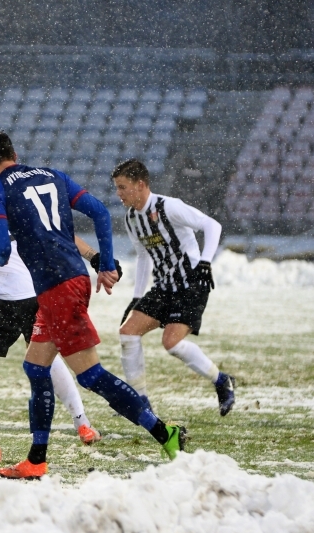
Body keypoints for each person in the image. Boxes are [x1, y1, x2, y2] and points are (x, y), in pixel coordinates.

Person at [0, 130, 186, 480]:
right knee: (36, 367)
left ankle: (164, 432)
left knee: (90, 375)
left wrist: (5, 239)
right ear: (14, 152)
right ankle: (36, 459)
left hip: (57, 287)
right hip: (67, 280)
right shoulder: (52, 175)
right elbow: (100, 212)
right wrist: (105, 263)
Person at [0, 155, 106, 463]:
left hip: (4, 300)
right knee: (47, 355)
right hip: (40, 289)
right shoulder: (8, 200)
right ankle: (83, 424)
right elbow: (57, 232)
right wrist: (94, 256)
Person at [112, 159, 236, 417]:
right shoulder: (132, 218)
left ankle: (221, 380)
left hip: (191, 283)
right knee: (128, 333)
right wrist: (136, 298)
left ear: (141, 184)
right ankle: (140, 401)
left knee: (171, 342)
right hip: (164, 285)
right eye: (117, 188)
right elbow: (143, 256)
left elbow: (213, 226)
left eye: (123, 187)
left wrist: (205, 262)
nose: (119, 194)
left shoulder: (169, 207)